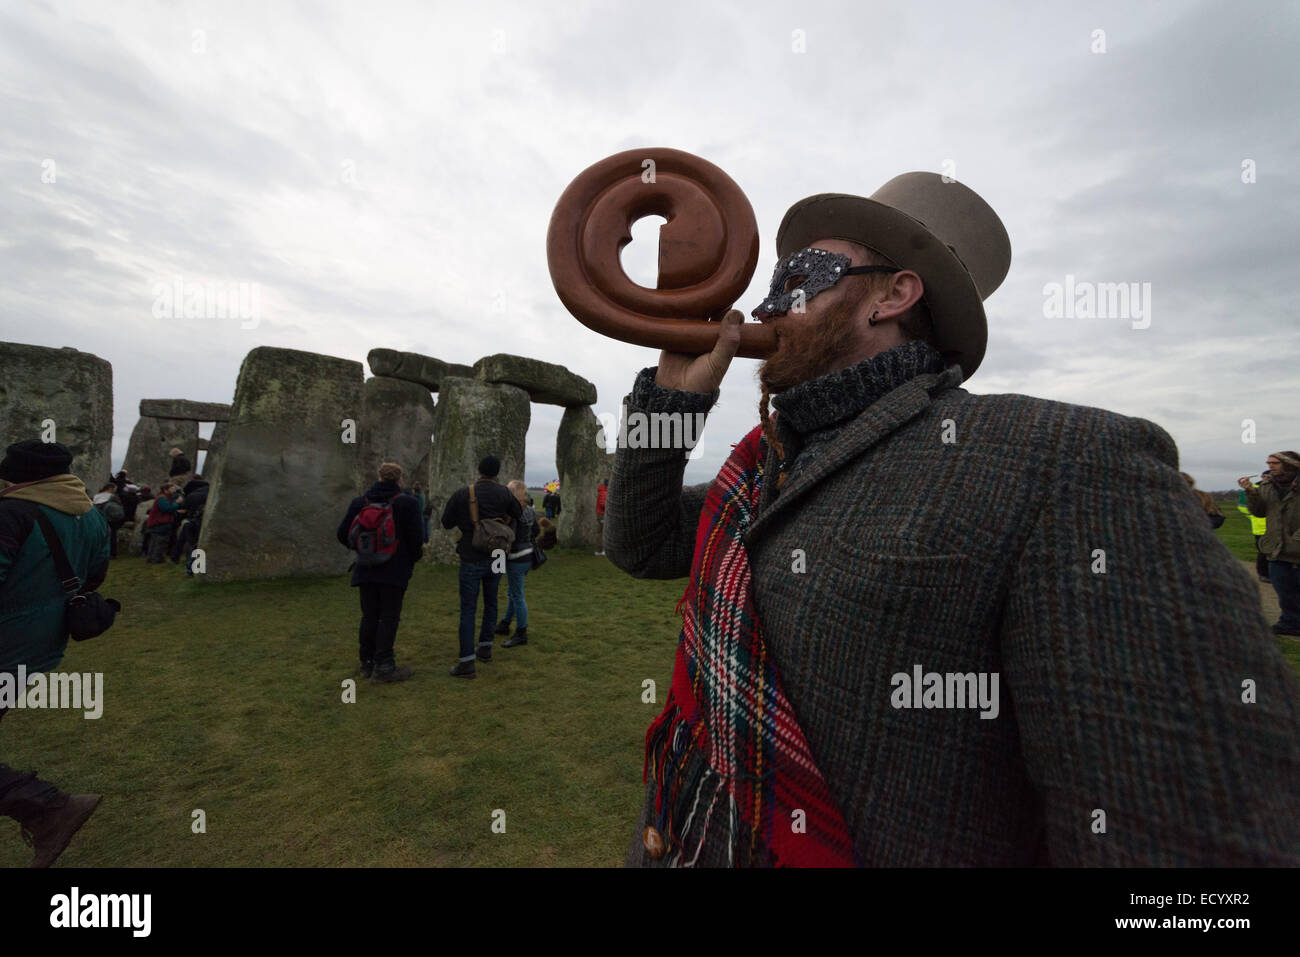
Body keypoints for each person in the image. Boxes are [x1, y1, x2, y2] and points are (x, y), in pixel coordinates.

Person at [606, 172, 1300, 866]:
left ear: (893, 294)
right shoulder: (760, 471)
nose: (767, 303)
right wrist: (671, 402)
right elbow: (642, 542)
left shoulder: (1062, 461)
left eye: (801, 276)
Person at [0, 440, 109, 867]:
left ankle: (50, 808)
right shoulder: (90, 515)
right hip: (39, 649)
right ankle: (49, 809)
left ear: (20, 477)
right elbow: (94, 576)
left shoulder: (12, 513)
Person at [337, 462, 424, 682]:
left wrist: (362, 549)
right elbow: (417, 539)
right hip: (394, 570)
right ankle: (384, 666)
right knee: (388, 617)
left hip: (365, 568)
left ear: (379, 477)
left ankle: (366, 663)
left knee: (369, 616)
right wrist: (410, 560)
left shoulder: (361, 502)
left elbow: (342, 533)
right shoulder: (408, 503)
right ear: (399, 479)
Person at [440, 455, 520, 678]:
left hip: (471, 553)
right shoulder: (505, 493)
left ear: (479, 470)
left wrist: (471, 523)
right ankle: (485, 648)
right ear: (497, 472)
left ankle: (467, 662)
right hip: (497, 554)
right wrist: (501, 523)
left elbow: (446, 522)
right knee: (492, 601)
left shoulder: (464, 493)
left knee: (468, 607)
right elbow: (519, 514)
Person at [1241, 451, 1300, 638]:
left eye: (1274, 463)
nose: (1270, 466)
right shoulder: (1267, 485)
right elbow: (1259, 512)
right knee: (1283, 588)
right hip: (1276, 546)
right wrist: (1251, 492)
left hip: (1297, 545)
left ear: (1289, 464)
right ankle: (1290, 622)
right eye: (1268, 462)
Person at [494, 480, 538, 647]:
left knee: (517, 595)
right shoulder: (529, 511)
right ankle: (505, 623)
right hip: (528, 555)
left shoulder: (512, 513)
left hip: (516, 557)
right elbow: (536, 531)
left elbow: (507, 535)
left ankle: (521, 632)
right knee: (514, 592)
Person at [171, 476, 210, 575]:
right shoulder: (209, 493)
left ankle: (177, 559)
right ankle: (195, 568)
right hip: (203, 521)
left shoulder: (192, 495)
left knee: (186, 542)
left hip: (190, 520)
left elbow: (184, 508)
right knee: (198, 544)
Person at [1237, 473, 1271, 582]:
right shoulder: (1252, 489)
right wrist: (1254, 514)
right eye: (1266, 476)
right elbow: (1242, 507)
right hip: (1260, 525)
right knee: (1263, 551)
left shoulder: (1275, 488)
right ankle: (1263, 574)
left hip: (1276, 525)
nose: (1267, 478)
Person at [143, 482, 182, 563]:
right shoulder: (162, 498)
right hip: (159, 523)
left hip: (159, 522)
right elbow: (167, 508)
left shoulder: (165, 497)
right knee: (159, 542)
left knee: (156, 541)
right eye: (172, 488)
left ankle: (152, 558)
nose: (174, 489)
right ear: (165, 490)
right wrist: (177, 503)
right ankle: (156, 559)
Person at [92, 482, 126, 558]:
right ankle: (112, 553)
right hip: (110, 518)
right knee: (111, 536)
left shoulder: (96, 496)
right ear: (110, 488)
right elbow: (119, 507)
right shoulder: (113, 497)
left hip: (98, 518)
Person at [594, 479, 608, 556]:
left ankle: (598, 550)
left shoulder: (601, 491)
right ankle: (602, 550)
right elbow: (603, 504)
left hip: (600, 514)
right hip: (602, 514)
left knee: (600, 532)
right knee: (603, 532)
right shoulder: (604, 492)